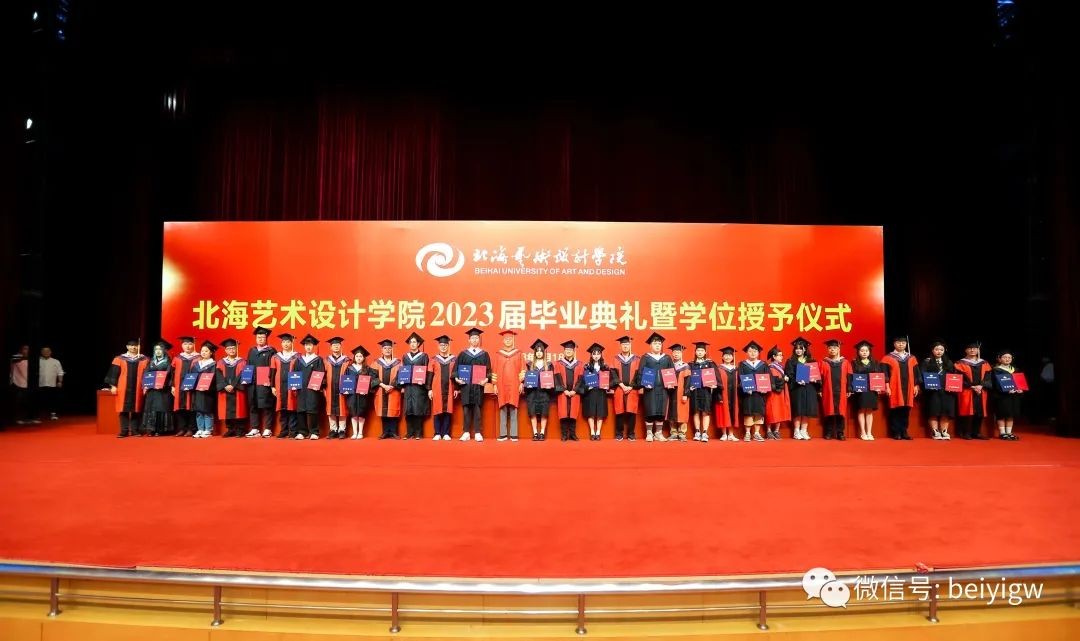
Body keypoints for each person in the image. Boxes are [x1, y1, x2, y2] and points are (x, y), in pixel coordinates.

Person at [634, 332, 674, 442]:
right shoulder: (645, 357)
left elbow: (671, 372)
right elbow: (640, 372)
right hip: (649, 388)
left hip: (663, 389)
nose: (657, 345)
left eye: (659, 344)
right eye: (655, 343)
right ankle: (649, 433)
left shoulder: (667, 358)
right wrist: (643, 383)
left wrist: (671, 383)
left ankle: (658, 433)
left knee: (661, 410)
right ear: (650, 345)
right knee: (650, 410)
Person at [104, 339, 148, 437]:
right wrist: (113, 386)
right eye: (131, 346)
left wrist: (146, 386)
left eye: (135, 345)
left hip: (138, 388)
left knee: (136, 409)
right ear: (127, 347)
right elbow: (113, 373)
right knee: (123, 409)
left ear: (138, 347)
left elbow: (147, 374)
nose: (133, 347)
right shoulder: (119, 359)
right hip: (123, 387)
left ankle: (135, 430)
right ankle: (124, 430)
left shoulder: (144, 359)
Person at [880, 335, 920, 440]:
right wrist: (887, 387)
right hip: (895, 387)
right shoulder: (888, 358)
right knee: (896, 409)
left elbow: (916, 373)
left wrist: (916, 386)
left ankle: (904, 431)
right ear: (894, 344)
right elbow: (885, 374)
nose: (901, 344)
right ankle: (896, 432)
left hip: (909, 387)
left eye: (903, 343)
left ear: (906, 344)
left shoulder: (911, 358)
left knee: (906, 410)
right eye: (898, 342)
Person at [456, 328, 490, 441]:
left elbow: (489, 371)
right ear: (469, 340)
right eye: (473, 338)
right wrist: (457, 379)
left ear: (479, 340)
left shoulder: (484, 354)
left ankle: (478, 432)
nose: (475, 340)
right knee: (466, 409)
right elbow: (456, 370)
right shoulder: (463, 354)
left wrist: (486, 380)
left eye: (476, 338)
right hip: (466, 385)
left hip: (478, 385)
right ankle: (466, 432)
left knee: (477, 408)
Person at [576, 342, 616, 441]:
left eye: (598, 354)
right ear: (591, 355)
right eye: (594, 354)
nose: (596, 356)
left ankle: (598, 432)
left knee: (600, 413)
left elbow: (612, 380)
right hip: (590, 393)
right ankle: (592, 432)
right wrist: (587, 387)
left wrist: (606, 386)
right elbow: (581, 381)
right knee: (591, 412)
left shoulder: (605, 367)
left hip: (601, 392)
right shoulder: (586, 367)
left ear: (601, 355)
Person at [954, 341, 991, 440]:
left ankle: (976, 432)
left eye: (974, 348)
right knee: (967, 411)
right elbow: (958, 378)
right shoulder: (960, 363)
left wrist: (981, 386)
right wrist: (972, 386)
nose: (972, 350)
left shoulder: (984, 363)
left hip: (981, 391)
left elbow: (988, 377)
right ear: (965, 350)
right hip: (967, 390)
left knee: (980, 411)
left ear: (978, 350)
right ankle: (965, 432)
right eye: (970, 348)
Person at [920, 340, 956, 440]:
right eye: (936, 349)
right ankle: (935, 431)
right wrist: (927, 385)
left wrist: (953, 386)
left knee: (946, 411)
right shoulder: (926, 362)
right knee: (933, 410)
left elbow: (954, 376)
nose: (939, 351)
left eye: (941, 350)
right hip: (932, 391)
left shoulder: (949, 362)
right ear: (932, 350)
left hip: (947, 391)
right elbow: (922, 375)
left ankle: (944, 431)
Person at [784, 337, 819, 440]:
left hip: (809, 388)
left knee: (807, 410)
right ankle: (796, 431)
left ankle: (804, 430)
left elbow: (816, 375)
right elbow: (789, 374)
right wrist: (796, 381)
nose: (798, 350)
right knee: (798, 409)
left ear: (805, 349)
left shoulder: (811, 361)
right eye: (796, 348)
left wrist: (815, 380)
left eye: (800, 348)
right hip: (797, 388)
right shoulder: (791, 361)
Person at [493, 329, 525, 441]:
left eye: (510, 339)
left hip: (514, 383)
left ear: (513, 340)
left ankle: (513, 434)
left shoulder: (518, 354)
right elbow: (494, 370)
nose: (508, 340)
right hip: (501, 384)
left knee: (513, 407)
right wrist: (494, 385)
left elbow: (522, 369)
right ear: (503, 340)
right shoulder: (498, 354)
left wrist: (521, 383)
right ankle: (503, 434)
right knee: (502, 407)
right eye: (506, 339)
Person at [245, 326, 277, 438]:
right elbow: (248, 366)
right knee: (253, 404)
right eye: (258, 337)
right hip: (252, 382)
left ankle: (268, 429)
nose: (260, 339)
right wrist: (246, 379)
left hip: (265, 382)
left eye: (263, 337)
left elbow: (273, 368)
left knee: (267, 405)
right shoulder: (252, 351)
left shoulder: (271, 351)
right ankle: (255, 428)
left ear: (266, 338)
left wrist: (271, 382)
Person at [850, 340, 885, 441]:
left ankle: (869, 432)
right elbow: (851, 377)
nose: (864, 352)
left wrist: (879, 387)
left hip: (871, 389)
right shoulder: (854, 363)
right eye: (862, 351)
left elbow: (878, 376)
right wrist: (852, 388)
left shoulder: (875, 363)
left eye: (866, 350)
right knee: (861, 409)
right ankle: (863, 432)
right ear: (858, 352)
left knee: (869, 410)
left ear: (869, 352)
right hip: (860, 389)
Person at [294, 334, 326, 439]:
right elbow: (295, 374)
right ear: (304, 346)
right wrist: (294, 385)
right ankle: (302, 432)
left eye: (310, 345)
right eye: (306, 345)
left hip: (313, 389)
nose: (308, 347)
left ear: (314, 346)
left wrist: (318, 386)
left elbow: (321, 374)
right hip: (301, 388)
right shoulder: (299, 360)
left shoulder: (318, 359)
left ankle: (314, 432)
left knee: (312, 409)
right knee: (301, 409)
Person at [400, 332, 431, 440]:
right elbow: (403, 371)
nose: (412, 344)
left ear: (418, 344)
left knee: (418, 409)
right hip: (408, 387)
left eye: (414, 342)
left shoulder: (424, 356)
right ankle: (409, 433)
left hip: (419, 387)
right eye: (411, 342)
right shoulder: (405, 357)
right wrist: (402, 385)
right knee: (408, 410)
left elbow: (427, 371)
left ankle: (418, 433)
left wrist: (425, 383)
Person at [343, 345, 379, 439]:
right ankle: (354, 432)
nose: (359, 358)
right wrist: (345, 390)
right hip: (352, 394)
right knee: (353, 412)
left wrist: (367, 389)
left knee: (361, 412)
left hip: (363, 394)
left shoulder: (367, 369)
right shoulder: (349, 368)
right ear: (354, 357)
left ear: (363, 358)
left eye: (361, 356)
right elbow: (346, 380)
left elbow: (372, 381)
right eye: (357, 356)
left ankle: (360, 432)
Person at [989, 348, 1025, 440]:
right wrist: (1006, 390)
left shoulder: (1015, 369)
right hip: (1001, 396)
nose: (1007, 359)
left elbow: (1019, 382)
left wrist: (1020, 389)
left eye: (1009, 357)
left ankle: (1009, 432)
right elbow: (995, 383)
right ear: (999, 359)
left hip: (1014, 395)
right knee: (1001, 414)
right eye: (1005, 357)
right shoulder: (996, 370)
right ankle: (1002, 433)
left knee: (1011, 414)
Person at [819, 339, 851, 440]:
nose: (832, 350)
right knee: (829, 410)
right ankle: (828, 432)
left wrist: (849, 389)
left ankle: (840, 433)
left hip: (841, 391)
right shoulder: (823, 362)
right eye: (830, 348)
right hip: (827, 390)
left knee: (841, 411)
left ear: (838, 349)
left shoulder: (845, 362)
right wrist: (820, 389)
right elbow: (820, 378)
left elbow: (849, 376)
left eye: (834, 348)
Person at [687, 342, 719, 442]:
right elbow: (687, 378)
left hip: (706, 391)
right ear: (695, 352)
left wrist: (714, 385)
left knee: (706, 411)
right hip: (695, 391)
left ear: (705, 352)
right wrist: (689, 387)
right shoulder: (691, 364)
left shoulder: (710, 364)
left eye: (702, 350)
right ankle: (697, 432)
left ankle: (704, 433)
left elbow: (716, 377)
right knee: (696, 411)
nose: (700, 352)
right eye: (698, 350)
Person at [216, 338, 248, 437]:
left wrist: (233, 385)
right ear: (225, 350)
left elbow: (243, 374)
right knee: (227, 410)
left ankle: (240, 429)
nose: (231, 350)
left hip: (238, 390)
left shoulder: (242, 362)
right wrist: (225, 385)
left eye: (233, 348)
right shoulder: (221, 362)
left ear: (236, 349)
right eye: (229, 348)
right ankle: (230, 429)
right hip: (225, 389)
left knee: (239, 409)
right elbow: (218, 375)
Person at [524, 339, 555, 440]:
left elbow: (552, 379)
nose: (539, 353)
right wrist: (527, 384)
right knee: (532, 413)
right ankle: (535, 433)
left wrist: (550, 386)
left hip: (544, 392)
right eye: (537, 351)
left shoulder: (549, 365)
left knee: (544, 413)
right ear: (534, 353)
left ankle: (542, 432)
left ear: (544, 352)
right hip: (532, 392)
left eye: (541, 351)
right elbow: (526, 379)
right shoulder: (529, 364)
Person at [270, 333, 300, 438]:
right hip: (279, 386)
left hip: (293, 386)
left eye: (288, 342)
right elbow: (272, 372)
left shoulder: (297, 356)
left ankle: (293, 430)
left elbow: (299, 371)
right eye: (284, 342)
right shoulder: (275, 357)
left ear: (292, 343)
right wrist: (272, 386)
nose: (286, 344)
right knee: (282, 408)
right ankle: (284, 430)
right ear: (281, 343)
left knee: (292, 407)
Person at [738, 340, 768, 442]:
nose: (752, 353)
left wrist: (765, 388)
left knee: (759, 412)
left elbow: (768, 377)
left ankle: (756, 433)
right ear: (747, 352)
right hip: (748, 394)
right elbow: (740, 377)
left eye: (755, 351)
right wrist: (745, 388)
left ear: (758, 353)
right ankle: (747, 433)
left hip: (760, 394)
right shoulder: (742, 364)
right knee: (748, 412)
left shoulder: (763, 364)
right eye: (750, 351)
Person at [141, 340, 174, 436]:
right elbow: (146, 373)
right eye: (156, 349)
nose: (158, 351)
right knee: (151, 408)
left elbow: (170, 375)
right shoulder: (151, 361)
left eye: (160, 349)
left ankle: (160, 429)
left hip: (163, 390)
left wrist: (164, 384)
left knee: (161, 407)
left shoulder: (168, 362)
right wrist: (145, 385)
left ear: (164, 351)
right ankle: (151, 429)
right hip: (152, 390)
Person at [429, 335, 458, 440]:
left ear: (448, 346)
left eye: (445, 345)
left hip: (450, 387)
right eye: (441, 345)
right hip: (436, 388)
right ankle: (437, 433)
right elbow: (429, 375)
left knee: (448, 410)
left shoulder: (454, 359)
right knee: (437, 409)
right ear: (438, 346)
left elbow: (456, 374)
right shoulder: (433, 359)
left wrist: (457, 388)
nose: (443, 347)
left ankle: (446, 433)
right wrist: (429, 389)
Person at [322, 337, 351, 439]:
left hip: (342, 388)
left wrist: (348, 387)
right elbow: (322, 374)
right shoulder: (326, 360)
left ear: (341, 346)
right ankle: (333, 429)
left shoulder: (347, 360)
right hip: (329, 388)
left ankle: (342, 430)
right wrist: (323, 386)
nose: (336, 347)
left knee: (342, 407)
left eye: (338, 345)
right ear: (331, 347)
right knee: (330, 408)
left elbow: (350, 374)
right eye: (334, 345)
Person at [373, 339, 403, 439]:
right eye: (385, 348)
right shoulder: (376, 363)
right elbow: (373, 376)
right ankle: (385, 432)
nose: (387, 350)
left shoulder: (398, 363)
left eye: (389, 348)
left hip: (394, 391)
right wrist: (384, 386)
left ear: (392, 350)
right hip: (381, 390)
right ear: (382, 350)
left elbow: (401, 376)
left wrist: (392, 386)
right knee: (383, 411)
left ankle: (394, 432)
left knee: (393, 410)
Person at [553, 339, 582, 441]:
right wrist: (564, 390)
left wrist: (575, 390)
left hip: (575, 393)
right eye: (566, 350)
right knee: (563, 413)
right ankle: (564, 434)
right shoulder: (558, 363)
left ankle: (572, 434)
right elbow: (557, 377)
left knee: (573, 413)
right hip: (563, 393)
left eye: (570, 350)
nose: (568, 351)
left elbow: (581, 379)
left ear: (573, 351)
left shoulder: (579, 364)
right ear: (564, 351)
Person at [611, 336, 639, 441]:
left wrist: (631, 386)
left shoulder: (636, 359)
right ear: (620, 346)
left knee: (632, 411)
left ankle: (631, 434)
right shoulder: (615, 359)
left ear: (630, 345)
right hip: (619, 388)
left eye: (627, 344)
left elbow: (638, 374)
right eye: (623, 344)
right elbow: (613, 374)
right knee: (619, 411)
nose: (625, 346)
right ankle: (619, 434)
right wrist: (621, 385)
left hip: (633, 389)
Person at [190, 340, 220, 438]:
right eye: (202, 351)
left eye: (206, 351)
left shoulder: (214, 364)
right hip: (197, 391)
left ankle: (208, 430)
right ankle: (200, 429)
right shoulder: (196, 365)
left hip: (208, 392)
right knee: (198, 410)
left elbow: (215, 378)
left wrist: (207, 387)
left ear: (211, 353)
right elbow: (191, 377)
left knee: (207, 410)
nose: (203, 353)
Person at [171, 336, 199, 437]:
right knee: (180, 407)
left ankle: (191, 429)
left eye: (190, 344)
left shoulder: (198, 358)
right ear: (182, 345)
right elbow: (172, 373)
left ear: (193, 345)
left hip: (193, 387)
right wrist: (173, 386)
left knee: (191, 407)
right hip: (179, 386)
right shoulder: (177, 358)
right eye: (185, 344)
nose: (188, 346)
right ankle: (182, 428)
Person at [764, 345, 791, 440]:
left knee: (780, 409)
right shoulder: (770, 368)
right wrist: (784, 379)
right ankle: (768, 431)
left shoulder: (780, 367)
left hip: (781, 392)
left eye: (782, 355)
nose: (781, 357)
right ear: (774, 357)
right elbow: (773, 381)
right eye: (779, 355)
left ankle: (776, 430)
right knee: (771, 410)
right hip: (773, 393)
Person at [667, 343, 691, 441]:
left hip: (681, 393)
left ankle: (682, 433)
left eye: (678, 352)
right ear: (672, 353)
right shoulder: (669, 365)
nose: (676, 354)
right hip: (671, 393)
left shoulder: (686, 366)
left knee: (682, 412)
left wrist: (686, 394)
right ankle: (673, 433)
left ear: (682, 353)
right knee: (671, 412)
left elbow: (688, 382)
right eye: (674, 352)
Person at [714, 346, 739, 442]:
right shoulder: (718, 368)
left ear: (732, 357)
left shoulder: (736, 369)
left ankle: (731, 434)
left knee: (733, 412)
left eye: (729, 355)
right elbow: (716, 383)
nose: (728, 357)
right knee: (723, 412)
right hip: (722, 395)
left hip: (734, 396)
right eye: (725, 355)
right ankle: (724, 434)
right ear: (722, 357)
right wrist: (718, 396)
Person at [9, 344, 37, 425]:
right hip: (18, 383)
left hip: (28, 384)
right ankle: (17, 419)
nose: (26, 350)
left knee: (28, 402)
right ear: (21, 350)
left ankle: (29, 418)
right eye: (25, 349)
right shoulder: (17, 357)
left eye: (28, 349)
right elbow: (11, 366)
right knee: (18, 402)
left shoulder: (31, 359)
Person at [38, 346, 64, 421]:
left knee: (52, 400)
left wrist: (60, 381)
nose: (46, 352)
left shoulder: (56, 361)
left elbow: (60, 372)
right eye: (44, 351)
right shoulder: (38, 360)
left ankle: (53, 414)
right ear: (41, 352)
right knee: (39, 400)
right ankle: (38, 415)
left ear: (50, 352)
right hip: (40, 384)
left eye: (48, 351)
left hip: (52, 384)